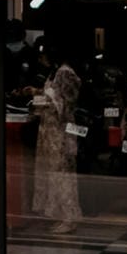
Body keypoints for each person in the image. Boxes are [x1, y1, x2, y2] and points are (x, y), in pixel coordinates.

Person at [31, 38, 83, 230]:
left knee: (62, 173)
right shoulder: (55, 73)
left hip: (60, 130)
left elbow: (66, 103)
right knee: (53, 172)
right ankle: (59, 213)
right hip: (50, 129)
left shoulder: (65, 73)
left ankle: (69, 216)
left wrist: (43, 100)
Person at [0, 18, 39, 114]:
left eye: (16, 41)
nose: (13, 45)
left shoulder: (31, 54)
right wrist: (1, 90)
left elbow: (36, 79)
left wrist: (23, 91)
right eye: (10, 42)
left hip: (24, 102)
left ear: (23, 38)